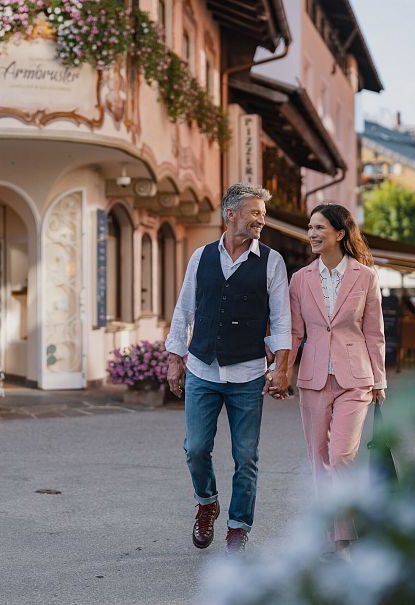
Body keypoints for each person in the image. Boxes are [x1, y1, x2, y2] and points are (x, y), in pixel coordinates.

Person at [166, 182, 291, 554]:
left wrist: (281, 367)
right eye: (255, 213)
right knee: (196, 448)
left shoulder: (272, 261)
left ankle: (238, 526)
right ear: (230, 214)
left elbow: (282, 320)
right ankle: (207, 502)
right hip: (203, 369)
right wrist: (175, 358)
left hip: (248, 374)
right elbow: (184, 309)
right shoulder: (200, 257)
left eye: (263, 215)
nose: (261, 221)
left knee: (246, 456)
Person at [284, 203, 387, 560]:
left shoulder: (366, 276)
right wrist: (281, 370)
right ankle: (327, 528)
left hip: (355, 378)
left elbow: (374, 332)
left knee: (341, 455)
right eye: (309, 228)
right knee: (319, 459)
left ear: (340, 233)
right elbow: (295, 333)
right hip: (313, 378)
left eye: (319, 228)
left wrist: (379, 379)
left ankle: (343, 538)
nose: (312, 234)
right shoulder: (300, 280)